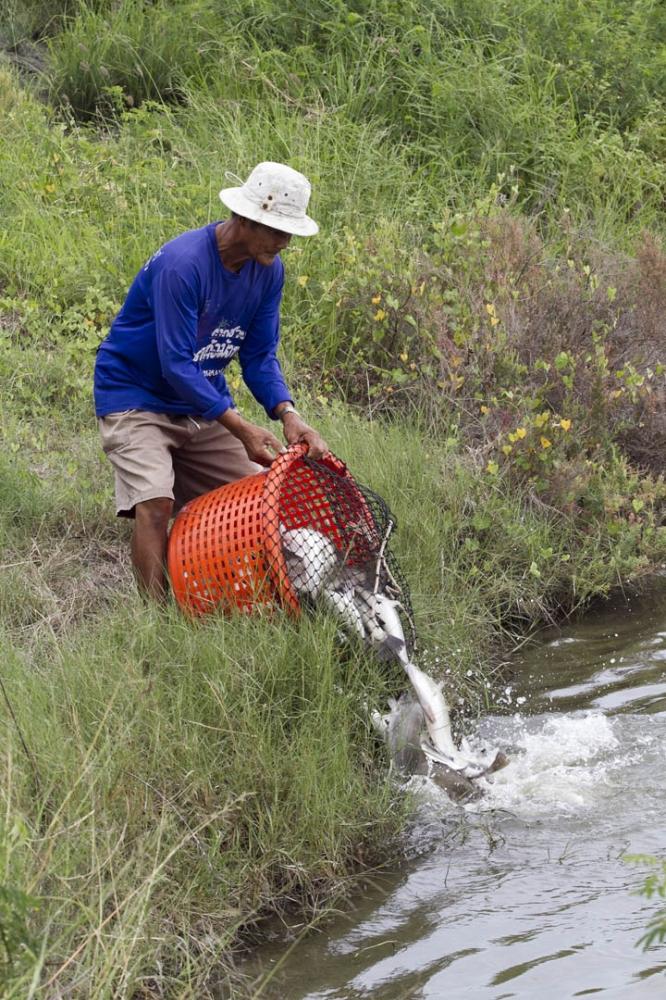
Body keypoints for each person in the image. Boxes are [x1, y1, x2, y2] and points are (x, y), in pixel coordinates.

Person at [94, 161, 328, 600]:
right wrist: (239, 427)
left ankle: (220, 586)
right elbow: (175, 364)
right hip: (135, 397)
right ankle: (157, 617)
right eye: (277, 230)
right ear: (246, 218)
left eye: (289, 232)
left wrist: (287, 413)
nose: (285, 242)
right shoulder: (184, 264)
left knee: (256, 504)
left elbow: (259, 355)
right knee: (156, 502)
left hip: (199, 403)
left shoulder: (268, 270)